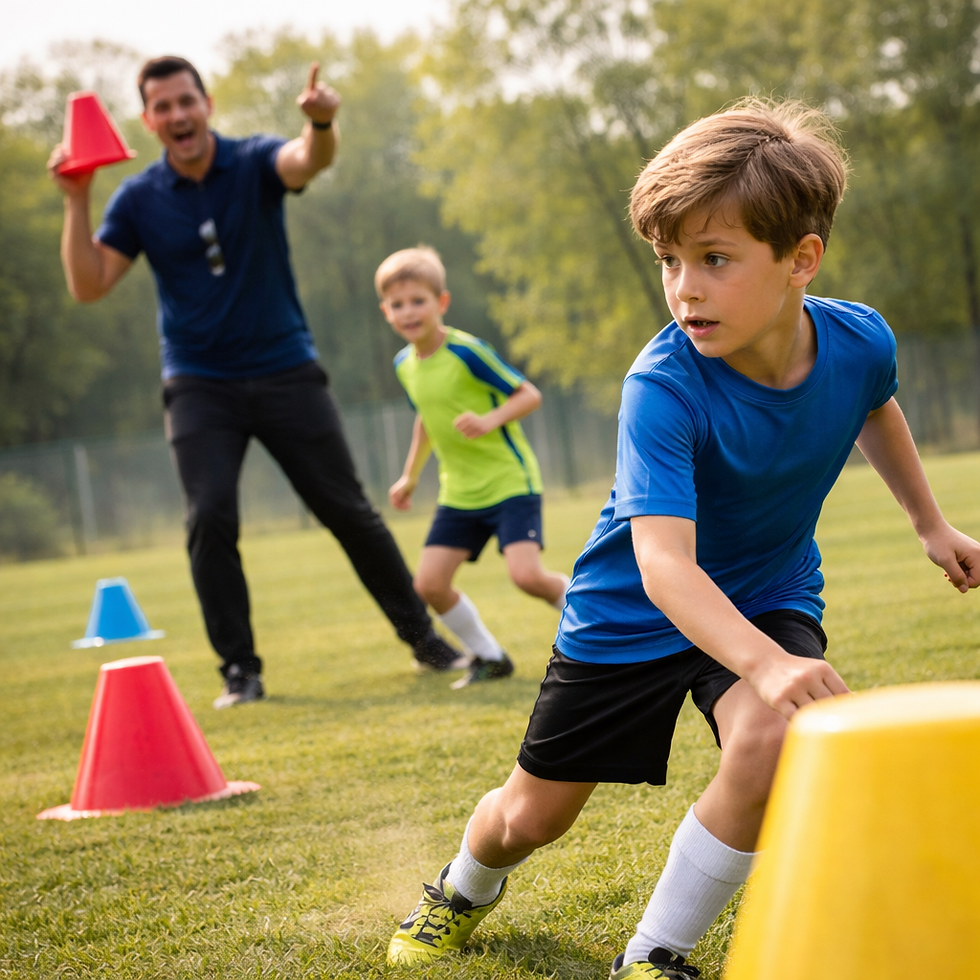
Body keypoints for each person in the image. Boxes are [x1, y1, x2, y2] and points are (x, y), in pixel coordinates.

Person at [385, 99, 980, 977]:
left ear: (799, 260)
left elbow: (876, 406)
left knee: (770, 737)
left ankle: (653, 955)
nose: (685, 288)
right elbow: (663, 565)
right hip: (627, 616)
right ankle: (462, 887)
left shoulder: (859, 340)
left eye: (715, 259)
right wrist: (769, 663)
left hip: (766, 592)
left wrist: (929, 522)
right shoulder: (662, 386)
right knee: (532, 818)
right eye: (669, 261)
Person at [48, 56, 466, 709]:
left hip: (285, 368)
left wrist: (323, 122)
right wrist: (76, 198)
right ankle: (240, 672)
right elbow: (88, 284)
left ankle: (424, 639)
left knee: (348, 510)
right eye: (163, 107)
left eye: (187, 100)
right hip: (198, 382)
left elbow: (307, 160)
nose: (178, 115)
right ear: (148, 119)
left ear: (207, 103)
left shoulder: (251, 162)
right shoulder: (138, 199)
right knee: (209, 515)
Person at [376, 247, 569, 689]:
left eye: (418, 301)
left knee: (527, 577)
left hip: (509, 483)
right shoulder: (404, 365)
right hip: (459, 493)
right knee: (429, 585)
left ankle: (602, 622)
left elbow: (528, 394)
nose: (409, 312)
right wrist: (410, 475)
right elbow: (427, 418)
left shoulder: (467, 352)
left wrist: (489, 420)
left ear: (440, 303)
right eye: (398, 304)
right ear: (386, 311)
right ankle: (490, 657)